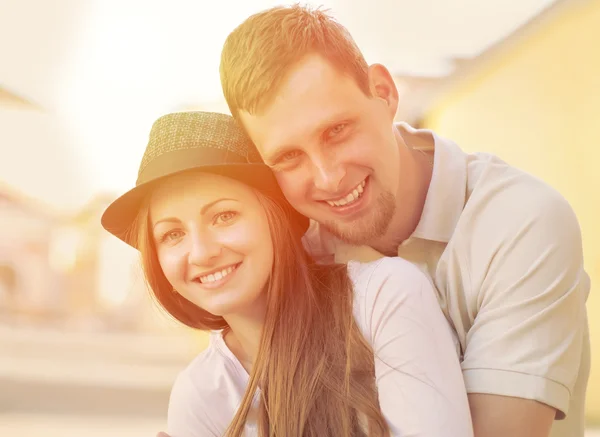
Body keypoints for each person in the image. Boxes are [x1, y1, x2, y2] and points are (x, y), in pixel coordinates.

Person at [218, 5, 590, 437]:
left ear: (384, 92)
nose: (328, 177)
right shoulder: (293, 256)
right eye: (288, 157)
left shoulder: (520, 222)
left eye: (337, 130)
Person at [101, 111, 473, 437]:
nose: (201, 252)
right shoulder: (201, 393)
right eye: (173, 234)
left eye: (224, 216)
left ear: (274, 215)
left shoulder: (384, 298)